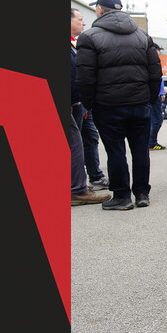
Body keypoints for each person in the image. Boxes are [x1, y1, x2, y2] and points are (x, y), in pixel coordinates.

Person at [76, 0, 162, 210]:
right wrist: (149, 99)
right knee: (140, 150)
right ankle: (142, 193)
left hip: (108, 105)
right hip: (139, 103)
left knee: (115, 150)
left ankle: (122, 196)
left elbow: (85, 76)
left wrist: (90, 103)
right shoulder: (142, 36)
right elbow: (155, 73)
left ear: (100, 10)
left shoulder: (89, 37)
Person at [71, 11, 111, 207]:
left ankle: (91, 178)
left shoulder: (73, 43)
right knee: (73, 143)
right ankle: (77, 189)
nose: (83, 22)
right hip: (73, 103)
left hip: (79, 103)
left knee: (87, 139)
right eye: (79, 19)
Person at [148, 42, 167, 151]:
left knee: (155, 119)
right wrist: (160, 93)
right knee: (157, 119)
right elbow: (156, 78)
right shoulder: (152, 61)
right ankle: (152, 142)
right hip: (155, 95)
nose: (160, 52)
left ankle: (151, 141)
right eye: (159, 50)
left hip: (156, 93)